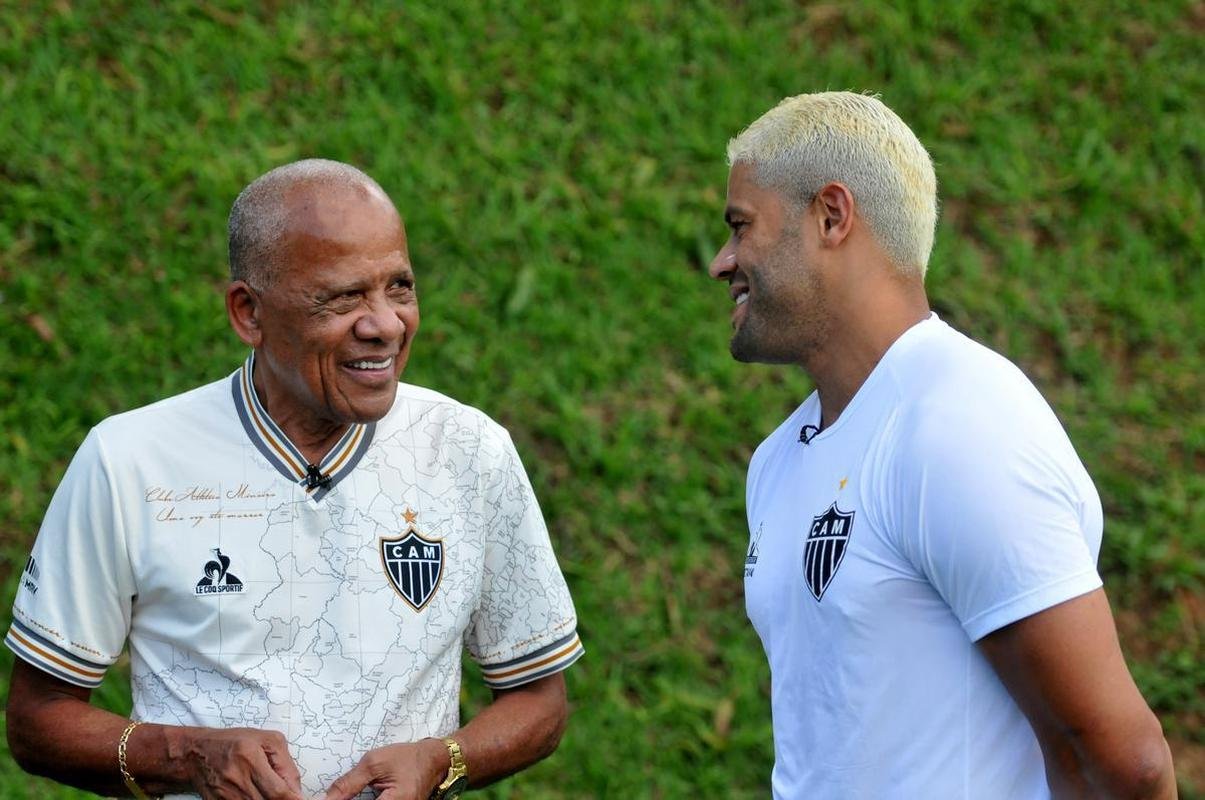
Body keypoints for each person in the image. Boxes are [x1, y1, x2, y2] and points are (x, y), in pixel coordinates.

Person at [5, 159, 584, 800]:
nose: (386, 324)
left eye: (400, 287)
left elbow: (539, 700)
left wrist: (442, 760)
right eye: (342, 298)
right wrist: (186, 756)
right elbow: (36, 724)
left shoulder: (471, 452)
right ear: (248, 312)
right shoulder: (128, 462)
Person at [708, 92, 1176, 799]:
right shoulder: (778, 459)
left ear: (830, 216)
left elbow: (1119, 762)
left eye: (740, 226)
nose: (722, 261)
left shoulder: (958, 424)